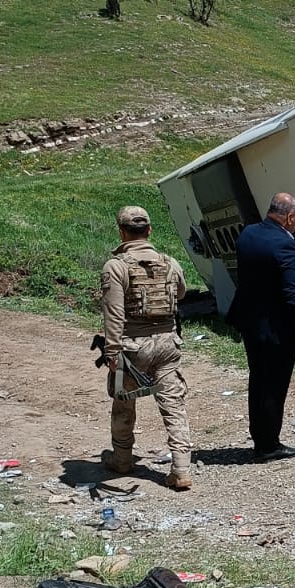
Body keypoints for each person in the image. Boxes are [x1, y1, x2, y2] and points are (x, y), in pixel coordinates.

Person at [99, 205, 192, 490]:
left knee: (123, 402)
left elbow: (113, 313)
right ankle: (181, 469)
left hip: (132, 346)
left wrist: (112, 351)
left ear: (121, 232)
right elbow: (182, 292)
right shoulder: (170, 262)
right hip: (167, 343)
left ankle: (123, 459)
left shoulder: (116, 267)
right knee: (173, 405)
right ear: (149, 230)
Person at [231, 192, 295, 462]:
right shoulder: (285, 246)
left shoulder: (248, 235)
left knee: (258, 381)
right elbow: (294, 294)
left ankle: (260, 438)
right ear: (290, 217)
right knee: (274, 386)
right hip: (277, 329)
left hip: (251, 324)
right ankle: (269, 444)